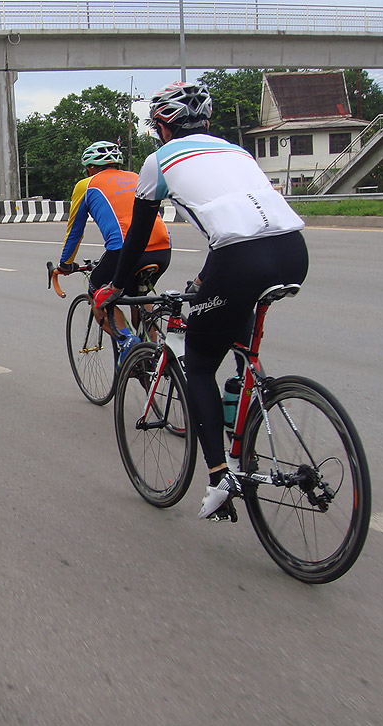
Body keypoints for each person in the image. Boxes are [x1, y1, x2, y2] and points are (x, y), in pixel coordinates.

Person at [93, 81, 309, 521]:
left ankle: (219, 478)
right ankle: (242, 400)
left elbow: (138, 234)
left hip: (239, 259)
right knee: (237, 332)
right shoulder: (237, 152)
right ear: (207, 122)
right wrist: (205, 279)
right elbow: (238, 224)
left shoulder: (159, 161)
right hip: (292, 250)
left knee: (199, 363)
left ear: (161, 127)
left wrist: (116, 286)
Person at [55, 140, 172, 362]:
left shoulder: (86, 184)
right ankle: (153, 356)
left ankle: (127, 340)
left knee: (97, 291)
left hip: (125, 250)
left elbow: (75, 231)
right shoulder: (136, 177)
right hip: (163, 249)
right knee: (139, 294)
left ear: (90, 168)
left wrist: (65, 264)